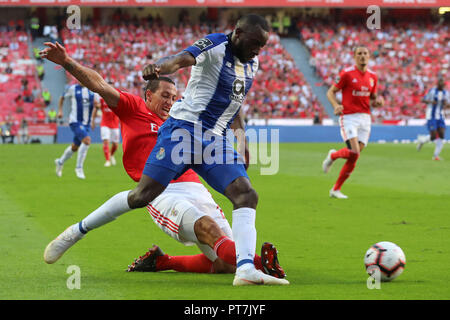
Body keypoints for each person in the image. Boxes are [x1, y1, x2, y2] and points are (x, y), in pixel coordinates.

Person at [41, 14, 288, 286]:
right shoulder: (135, 108)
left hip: (204, 159)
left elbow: (233, 104)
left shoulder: (247, 66)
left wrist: (241, 141)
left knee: (243, 202)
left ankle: (221, 268)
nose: (171, 101)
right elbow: (180, 59)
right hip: (170, 176)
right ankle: (76, 232)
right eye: (165, 96)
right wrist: (159, 67)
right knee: (145, 198)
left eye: (174, 97)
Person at [322, 46, 384, 199]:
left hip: (365, 118)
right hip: (349, 117)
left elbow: (373, 97)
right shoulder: (347, 74)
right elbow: (330, 92)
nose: (363, 56)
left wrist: (378, 102)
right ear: (354, 57)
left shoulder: (373, 76)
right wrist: (336, 106)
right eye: (359, 54)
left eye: (365, 53)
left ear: (369, 56)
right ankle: (333, 158)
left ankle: (335, 186)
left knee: (354, 155)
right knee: (355, 152)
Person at [54, 81, 100, 179]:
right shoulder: (73, 89)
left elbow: (97, 106)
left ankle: (60, 162)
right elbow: (62, 97)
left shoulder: (93, 91)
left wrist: (95, 115)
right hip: (75, 121)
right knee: (87, 141)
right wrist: (60, 111)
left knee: (75, 147)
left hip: (86, 123)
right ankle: (79, 168)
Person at [416, 78, 449, 160]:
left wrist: (446, 104)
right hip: (431, 116)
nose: (441, 87)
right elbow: (423, 100)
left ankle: (435, 156)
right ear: (437, 85)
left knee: (441, 134)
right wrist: (431, 102)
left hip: (440, 116)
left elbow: (448, 104)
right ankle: (422, 141)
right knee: (433, 136)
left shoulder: (446, 93)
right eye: (440, 85)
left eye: (442, 86)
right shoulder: (432, 91)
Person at [91, 97, 120, 167]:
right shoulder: (102, 99)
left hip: (115, 125)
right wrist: (92, 121)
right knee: (106, 141)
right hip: (105, 124)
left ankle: (111, 155)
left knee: (115, 145)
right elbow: (96, 108)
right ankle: (107, 160)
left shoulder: (116, 99)